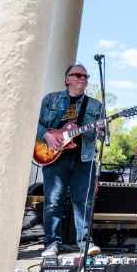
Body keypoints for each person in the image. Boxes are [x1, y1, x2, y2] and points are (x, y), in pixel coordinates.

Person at [37, 64, 103, 257]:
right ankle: (51, 244)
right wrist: (47, 135)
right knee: (52, 201)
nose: (82, 78)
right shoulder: (50, 99)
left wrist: (100, 130)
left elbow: (100, 135)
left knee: (84, 203)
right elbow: (35, 122)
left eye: (85, 75)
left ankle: (85, 244)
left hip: (83, 159)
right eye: (77, 74)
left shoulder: (95, 106)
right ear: (67, 79)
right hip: (53, 157)